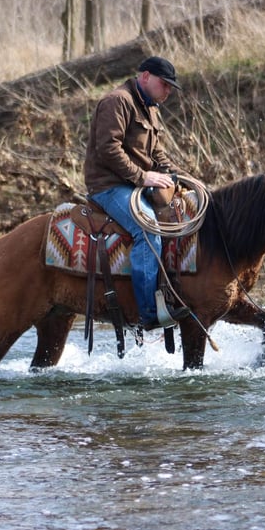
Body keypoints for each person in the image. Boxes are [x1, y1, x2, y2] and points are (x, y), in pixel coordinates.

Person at [84, 56, 191, 331]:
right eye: (163, 84)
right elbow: (108, 148)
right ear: (145, 77)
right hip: (108, 187)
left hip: (133, 185)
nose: (167, 91)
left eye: (170, 87)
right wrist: (142, 177)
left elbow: (156, 153)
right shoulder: (117, 101)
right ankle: (148, 313)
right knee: (147, 231)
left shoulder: (150, 108)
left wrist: (182, 177)